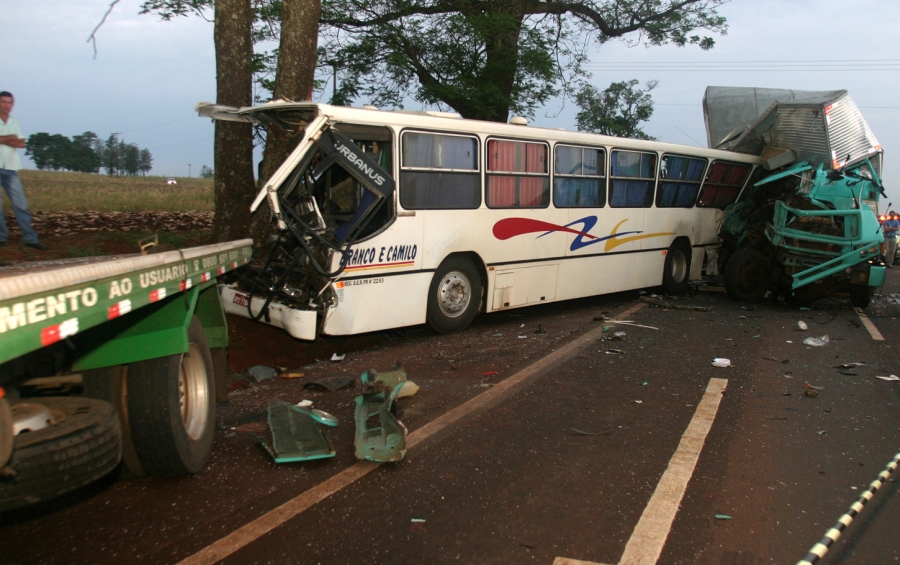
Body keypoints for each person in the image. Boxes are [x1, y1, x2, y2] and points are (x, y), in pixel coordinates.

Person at [0, 91, 47, 250]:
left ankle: (30, 238)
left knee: (21, 204)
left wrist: (2, 139)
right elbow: (15, 140)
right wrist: (9, 138)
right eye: (3, 102)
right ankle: (1, 238)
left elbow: (21, 143)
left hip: (11, 168)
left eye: (9, 102)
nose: (7, 105)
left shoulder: (15, 122)